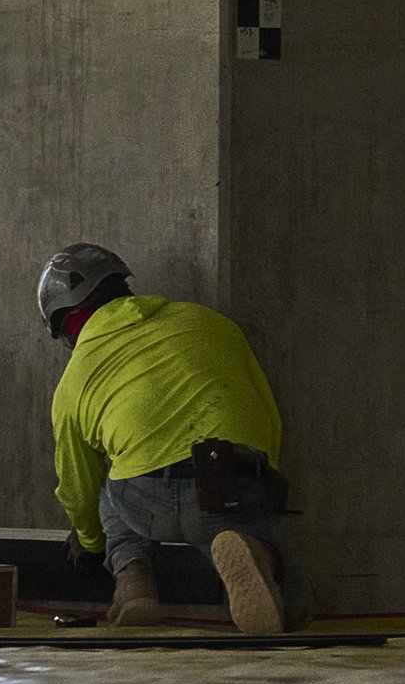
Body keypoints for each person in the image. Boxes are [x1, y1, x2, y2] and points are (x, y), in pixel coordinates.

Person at [39, 243, 302, 633]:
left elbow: (76, 486)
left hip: (145, 499)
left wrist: (91, 543)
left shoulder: (73, 382)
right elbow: (265, 411)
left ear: (67, 325)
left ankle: (134, 582)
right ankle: (257, 554)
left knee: (107, 483)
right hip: (230, 478)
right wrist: (265, 484)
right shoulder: (208, 320)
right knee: (292, 597)